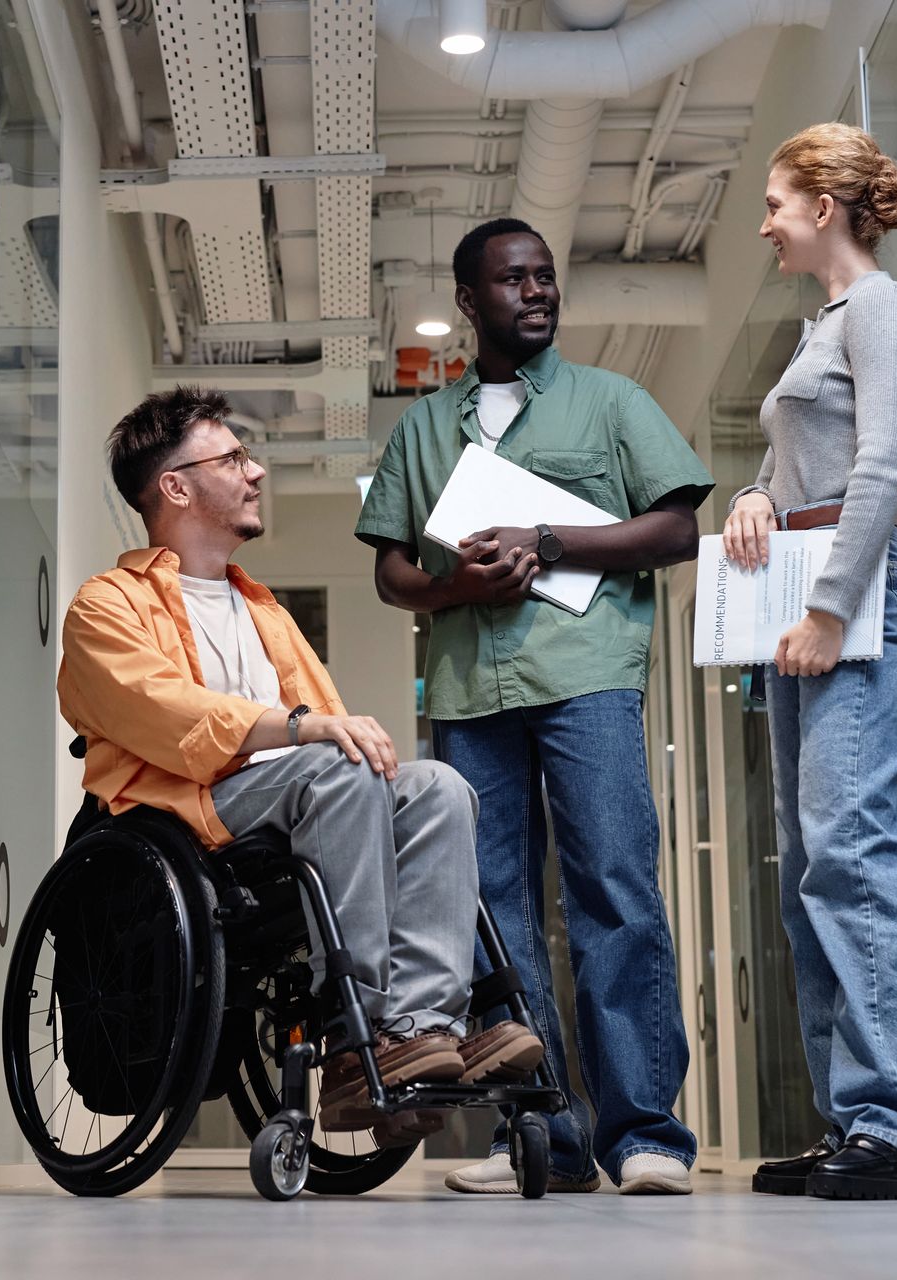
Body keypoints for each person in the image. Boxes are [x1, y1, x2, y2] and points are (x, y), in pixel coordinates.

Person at [58, 386, 543, 1149]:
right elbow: (159, 711)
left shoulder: (264, 610)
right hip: (190, 816)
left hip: (292, 800)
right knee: (337, 768)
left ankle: (422, 1024)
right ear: (176, 487)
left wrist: (325, 737)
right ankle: (356, 1040)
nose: (254, 474)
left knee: (439, 788)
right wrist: (301, 728)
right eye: (233, 458)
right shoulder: (106, 604)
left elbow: (331, 744)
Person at [358, 218, 714, 1195]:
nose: (537, 291)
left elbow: (678, 525)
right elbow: (392, 568)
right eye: (513, 280)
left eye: (546, 276)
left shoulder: (611, 403)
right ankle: (544, 1137)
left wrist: (547, 541)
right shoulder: (426, 429)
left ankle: (644, 1131)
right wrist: (453, 588)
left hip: (589, 675)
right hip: (473, 691)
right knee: (490, 914)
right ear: (469, 302)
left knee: (613, 890)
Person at [727, 123, 897, 1201]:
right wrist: (754, 496)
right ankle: (851, 1119)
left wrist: (826, 609)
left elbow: (882, 471)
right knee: (812, 875)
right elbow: (786, 466)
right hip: (808, 621)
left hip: (855, 614)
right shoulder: (820, 325)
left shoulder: (882, 311)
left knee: (855, 859)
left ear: (824, 206)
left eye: (776, 203)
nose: (765, 222)